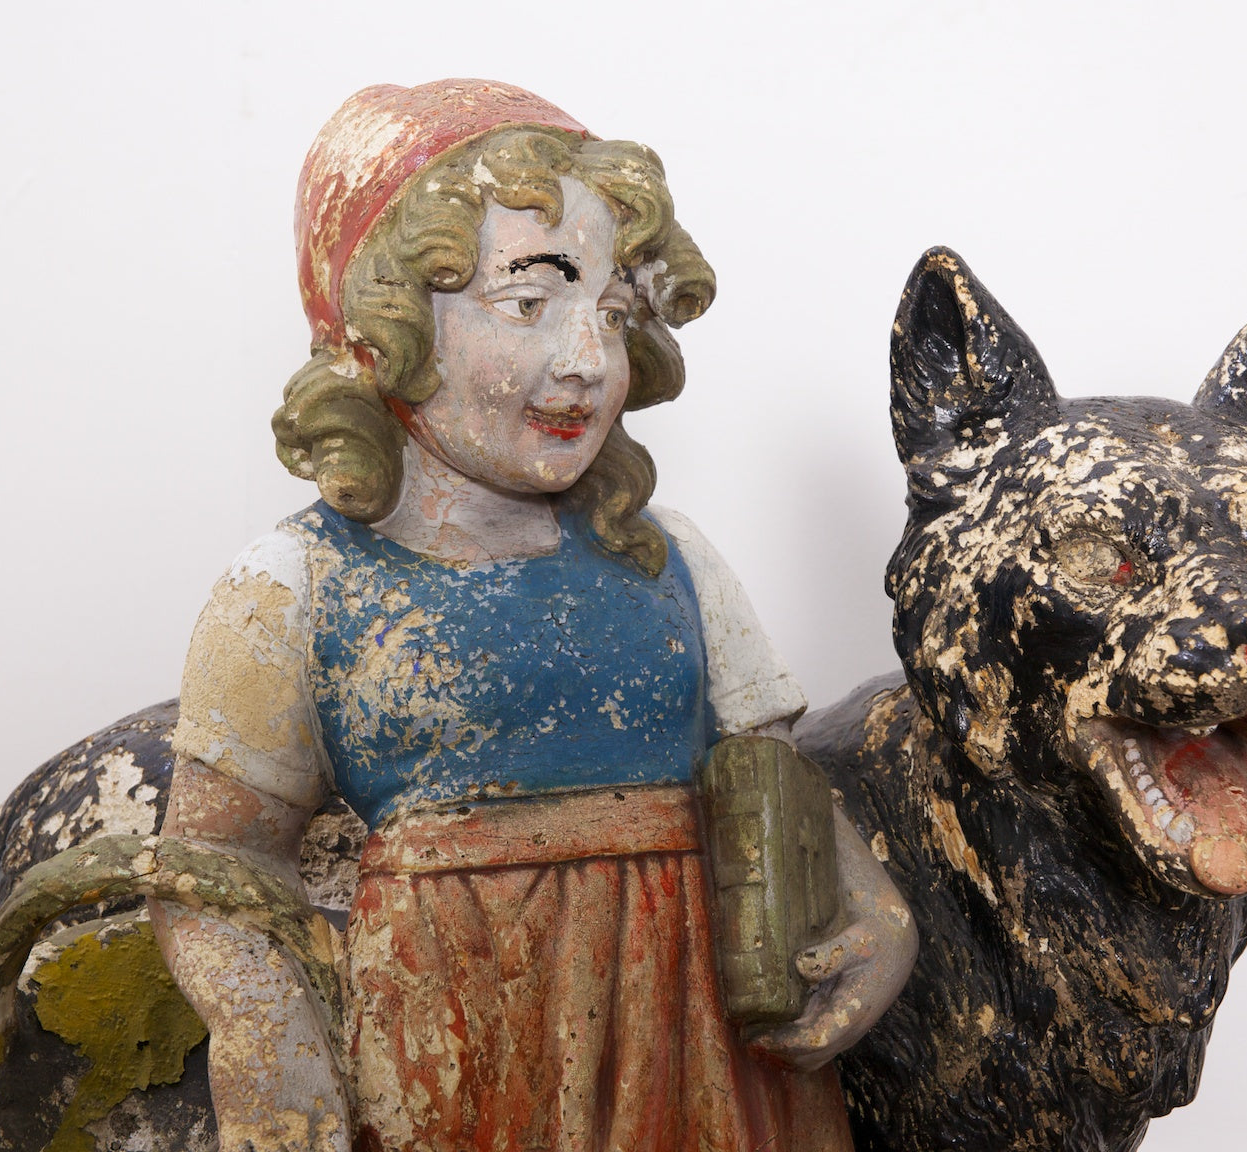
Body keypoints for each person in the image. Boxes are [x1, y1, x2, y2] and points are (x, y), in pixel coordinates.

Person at [149, 80, 917, 1152]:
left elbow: (774, 781)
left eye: (614, 314)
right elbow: (213, 873)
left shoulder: (671, 560)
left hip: (700, 1059)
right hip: (457, 1055)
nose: (588, 361)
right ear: (385, 325)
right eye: (528, 304)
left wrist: (874, 913)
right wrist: (267, 1041)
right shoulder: (296, 585)